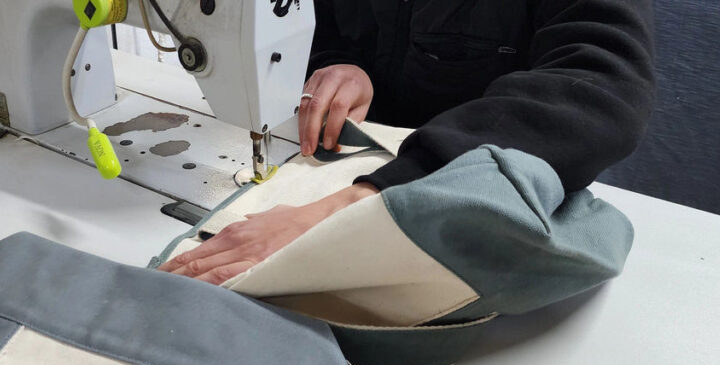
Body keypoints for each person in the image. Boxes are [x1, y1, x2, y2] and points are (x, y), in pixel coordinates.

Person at [160, 0, 655, 285]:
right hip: (360, 158)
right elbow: (317, 25)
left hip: (485, 193)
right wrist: (346, 68)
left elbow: (601, 87)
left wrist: (360, 205)